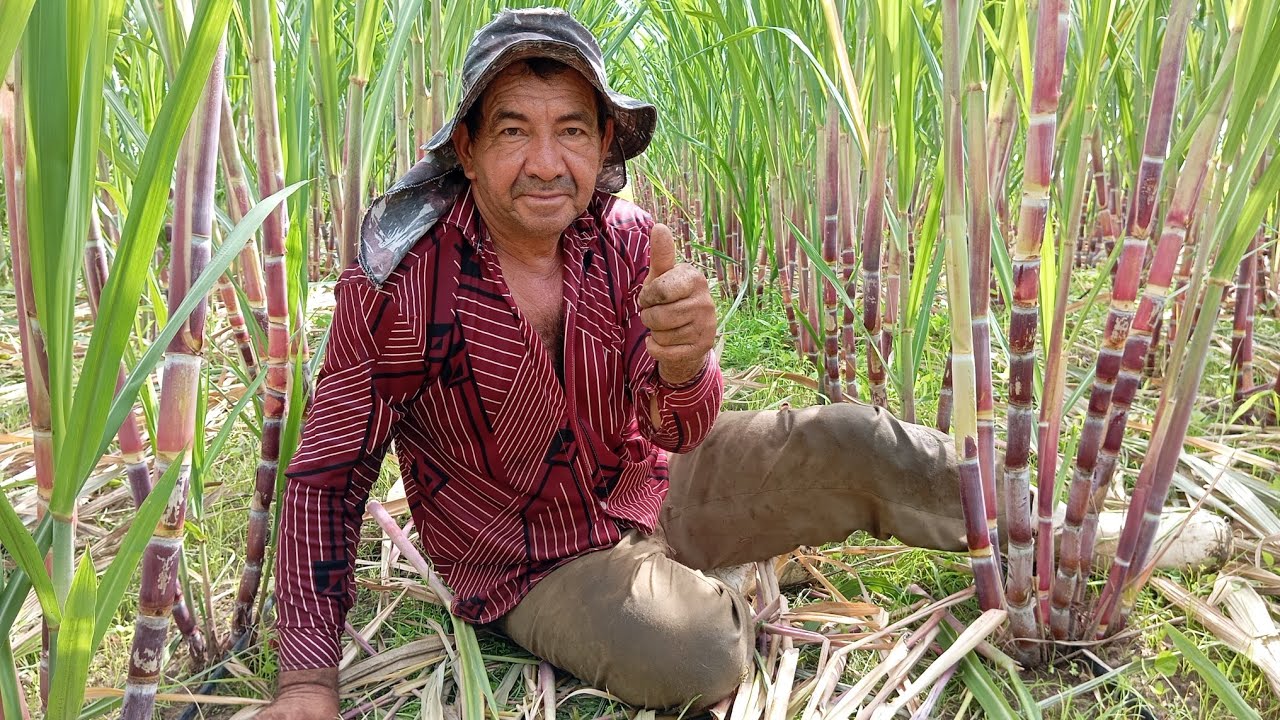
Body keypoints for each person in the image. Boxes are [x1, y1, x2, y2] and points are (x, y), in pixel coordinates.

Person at [259, 9, 969, 718]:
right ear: (467, 149)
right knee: (696, 653)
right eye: (513, 132)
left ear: (603, 144)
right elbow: (327, 482)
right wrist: (307, 683)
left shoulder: (623, 240)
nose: (545, 163)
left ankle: (1030, 530)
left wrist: (688, 366)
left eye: (570, 130)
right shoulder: (399, 285)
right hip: (533, 563)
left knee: (856, 440)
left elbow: (679, 432)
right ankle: (707, 585)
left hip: (648, 484)